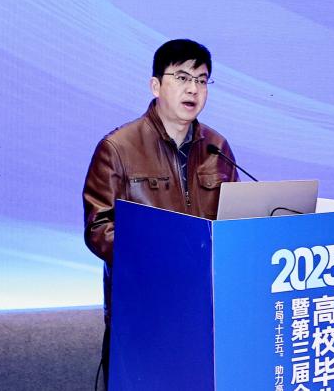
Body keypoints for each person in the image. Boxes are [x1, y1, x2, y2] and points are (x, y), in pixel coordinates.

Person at [82, 39, 239, 387]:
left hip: (205, 305)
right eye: (182, 78)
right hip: (145, 306)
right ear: (155, 85)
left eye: (201, 80)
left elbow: (235, 218)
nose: (193, 89)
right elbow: (99, 228)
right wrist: (159, 256)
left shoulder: (217, 147)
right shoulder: (118, 148)